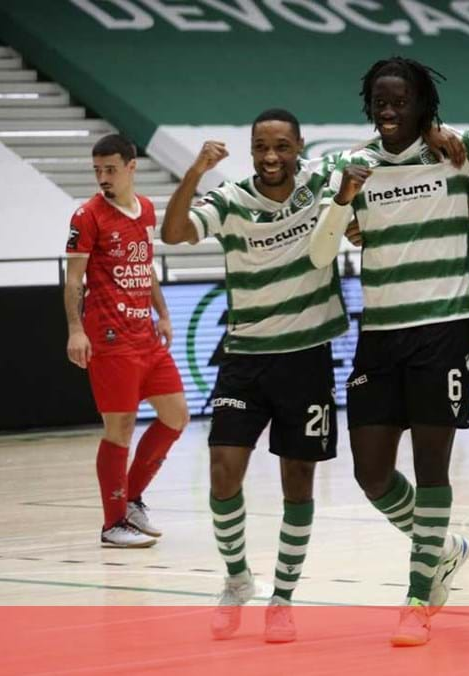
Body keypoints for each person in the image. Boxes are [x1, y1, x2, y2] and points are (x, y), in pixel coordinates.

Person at [308, 56, 469, 647]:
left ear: (423, 106)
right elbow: (322, 254)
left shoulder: (460, 149)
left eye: (400, 101)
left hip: (443, 331)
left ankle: (418, 598)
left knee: (431, 470)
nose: (389, 111)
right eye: (380, 101)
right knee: (370, 473)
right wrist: (344, 199)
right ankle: (443, 550)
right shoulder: (349, 164)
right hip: (380, 334)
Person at [161, 109, 349, 643]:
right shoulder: (231, 199)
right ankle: (237, 578)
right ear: (250, 150)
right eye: (261, 147)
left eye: (282, 146)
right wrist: (196, 171)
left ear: (299, 146)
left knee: (298, 482)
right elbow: (174, 232)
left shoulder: (323, 180)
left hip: (307, 357)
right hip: (244, 359)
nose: (271, 157)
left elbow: (375, 170)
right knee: (224, 470)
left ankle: (283, 599)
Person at [64, 134, 189, 549]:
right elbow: (73, 280)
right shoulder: (86, 216)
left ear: (131, 167)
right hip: (111, 339)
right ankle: (113, 523)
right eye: (97, 170)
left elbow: (145, 266)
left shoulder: (147, 210)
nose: (103, 177)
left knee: (176, 417)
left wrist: (164, 313)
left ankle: (132, 498)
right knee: (120, 429)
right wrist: (76, 330)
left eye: (111, 169)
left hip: (146, 337)